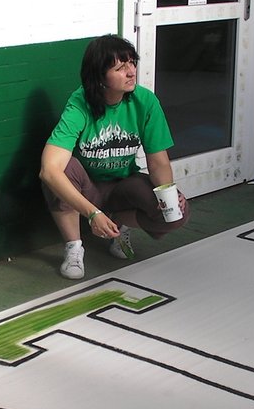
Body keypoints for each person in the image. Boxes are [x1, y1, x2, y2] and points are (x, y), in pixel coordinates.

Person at [39, 34, 190, 279]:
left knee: (175, 213)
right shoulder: (80, 103)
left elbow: (158, 160)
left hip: (123, 185)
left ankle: (118, 224)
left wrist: (168, 193)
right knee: (63, 170)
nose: (131, 72)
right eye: (121, 67)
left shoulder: (145, 101)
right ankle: (74, 247)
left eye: (132, 63)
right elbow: (49, 169)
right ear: (99, 77)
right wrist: (92, 213)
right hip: (87, 187)